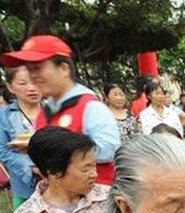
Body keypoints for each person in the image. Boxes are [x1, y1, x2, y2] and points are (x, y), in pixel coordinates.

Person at [1, 35, 120, 186]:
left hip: (94, 202)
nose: (33, 76)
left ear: (63, 69)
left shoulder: (91, 107)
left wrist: (57, 147)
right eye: (29, 69)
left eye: (37, 68)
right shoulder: (45, 113)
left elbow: (110, 150)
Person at [0, 65, 42, 213]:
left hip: (59, 182)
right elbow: (4, 152)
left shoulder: (53, 109)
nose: (31, 88)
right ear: (10, 86)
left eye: (35, 81)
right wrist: (32, 169)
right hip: (25, 186)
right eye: (23, 83)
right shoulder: (5, 117)